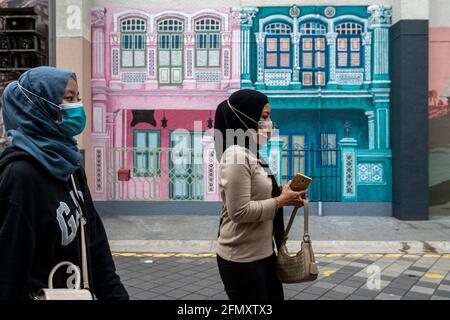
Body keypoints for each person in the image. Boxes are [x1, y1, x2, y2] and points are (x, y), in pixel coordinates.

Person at [0, 66, 129, 300]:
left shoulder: (70, 165)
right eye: (68, 98)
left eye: (77, 98)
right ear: (41, 106)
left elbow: (95, 243)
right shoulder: (21, 176)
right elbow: (8, 270)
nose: (77, 106)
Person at [214, 89, 308, 301]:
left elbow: (260, 197)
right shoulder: (236, 156)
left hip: (264, 254)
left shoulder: (251, 154)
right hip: (241, 261)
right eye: (264, 117)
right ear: (245, 116)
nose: (270, 123)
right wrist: (280, 201)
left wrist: (284, 194)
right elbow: (239, 212)